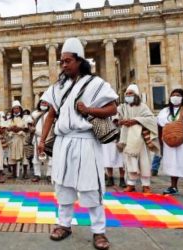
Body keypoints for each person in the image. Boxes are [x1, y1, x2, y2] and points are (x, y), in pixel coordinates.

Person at [38, 37, 117, 250]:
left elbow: (112, 109)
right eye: (61, 62)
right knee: (63, 185)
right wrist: (42, 139)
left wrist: (89, 110)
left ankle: (98, 231)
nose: (63, 65)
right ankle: (64, 224)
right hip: (63, 142)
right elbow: (51, 115)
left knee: (91, 186)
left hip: (86, 141)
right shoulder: (57, 88)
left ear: (80, 61)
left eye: (67, 61)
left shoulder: (96, 83)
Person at [118, 84, 159, 193]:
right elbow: (116, 118)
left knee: (143, 161)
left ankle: (146, 185)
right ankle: (131, 184)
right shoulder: (122, 107)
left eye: (130, 93)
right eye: (126, 94)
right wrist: (122, 121)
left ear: (136, 95)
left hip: (140, 138)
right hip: (127, 137)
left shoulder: (143, 106)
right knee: (129, 161)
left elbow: (151, 119)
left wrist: (136, 120)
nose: (128, 95)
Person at [7, 101, 29, 179]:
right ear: (12, 110)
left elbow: (27, 128)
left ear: (20, 109)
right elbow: (7, 128)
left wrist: (19, 128)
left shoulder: (25, 118)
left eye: (17, 108)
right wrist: (11, 128)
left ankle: (25, 173)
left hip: (22, 138)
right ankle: (13, 173)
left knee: (24, 156)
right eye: (14, 109)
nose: (16, 110)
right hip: (13, 139)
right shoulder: (9, 119)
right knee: (12, 156)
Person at [32, 100, 52, 182]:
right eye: (42, 103)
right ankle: (37, 174)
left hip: (48, 138)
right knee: (36, 156)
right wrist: (31, 129)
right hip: (37, 138)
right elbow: (30, 125)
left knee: (50, 157)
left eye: (45, 103)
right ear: (39, 104)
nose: (43, 104)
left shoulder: (51, 113)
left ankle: (49, 174)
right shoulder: (34, 114)